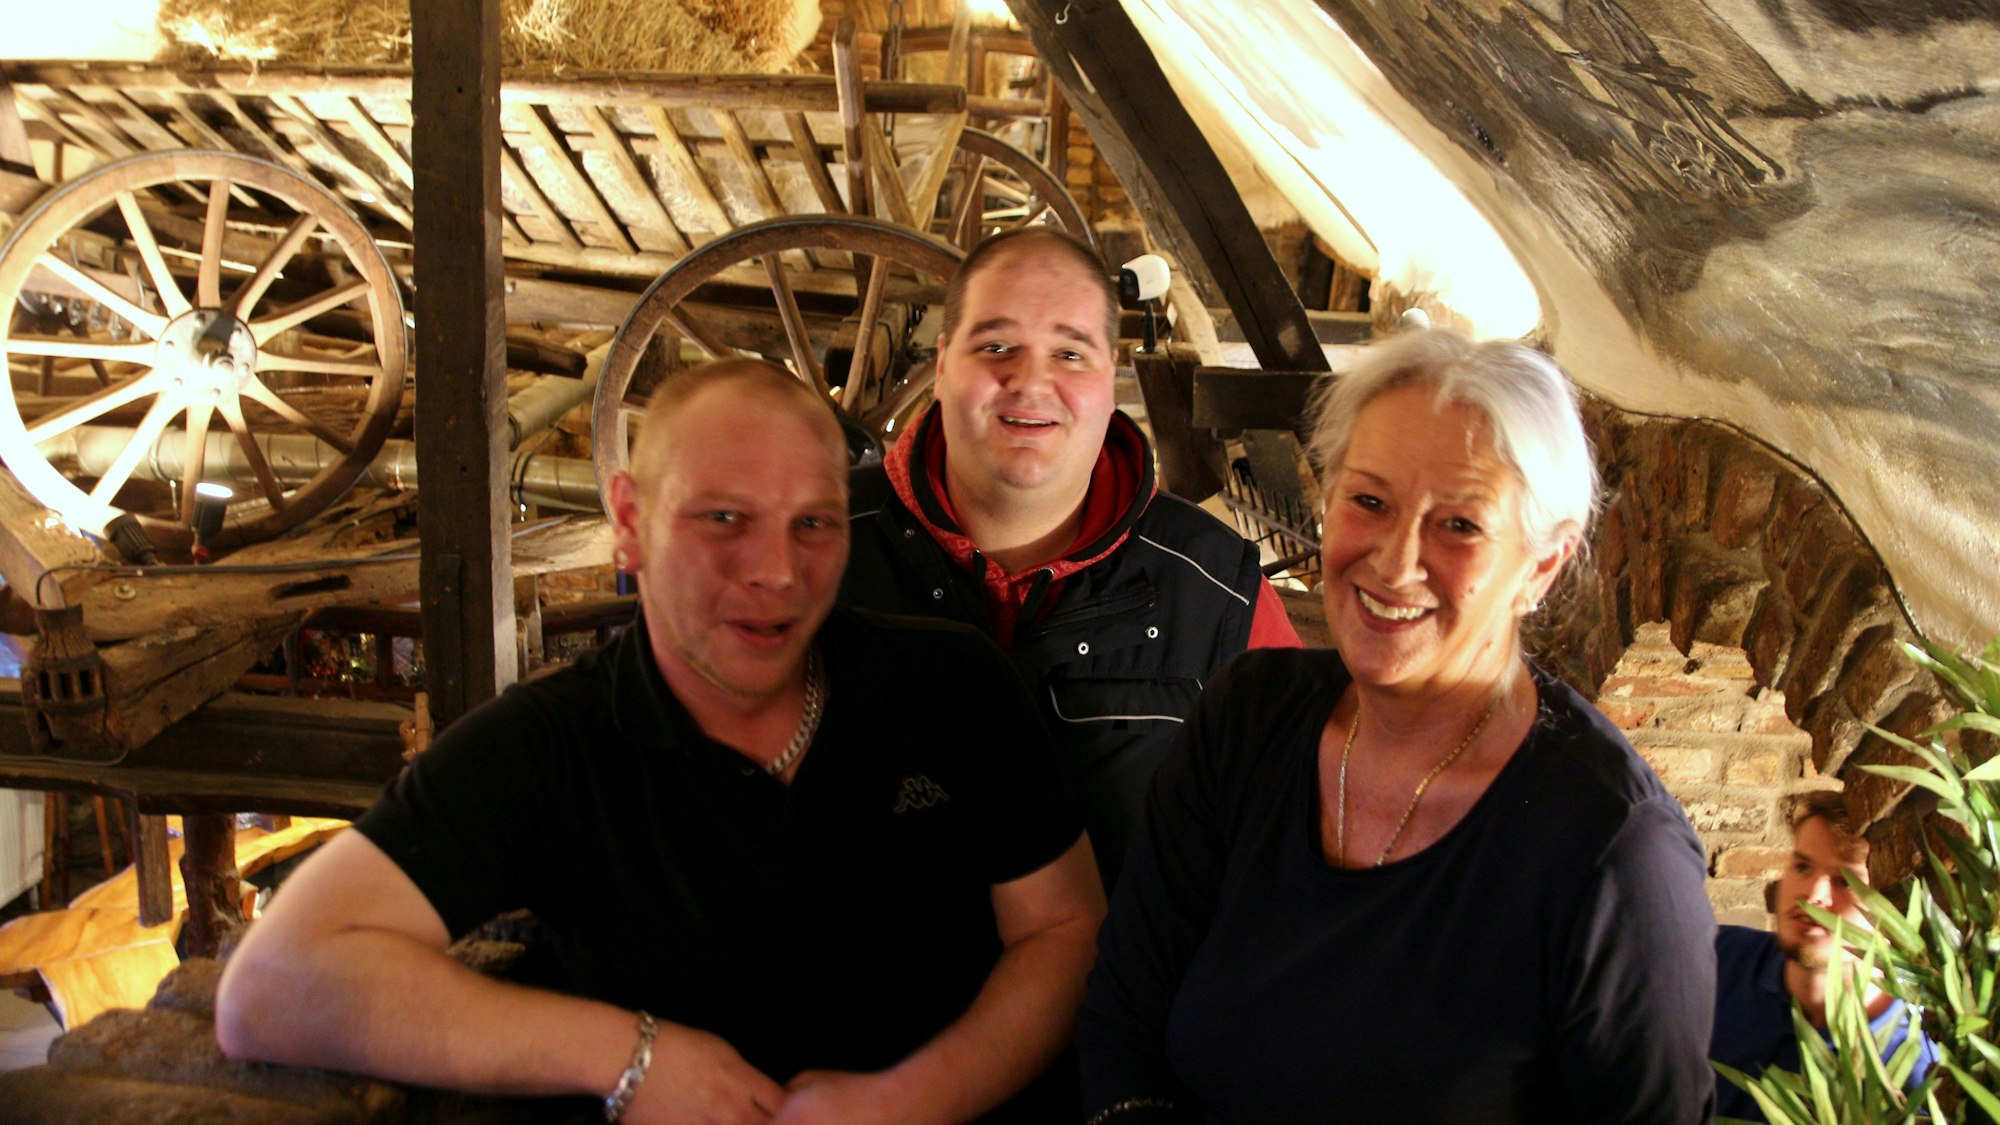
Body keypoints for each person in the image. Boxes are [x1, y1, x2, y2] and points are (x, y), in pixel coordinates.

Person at [215, 359, 1105, 1124]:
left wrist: (907, 1104)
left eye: (814, 523)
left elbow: (1065, 928)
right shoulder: (552, 743)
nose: (776, 570)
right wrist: (630, 1056)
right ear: (631, 521)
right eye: (723, 518)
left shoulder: (947, 685)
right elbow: (274, 986)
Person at [1077, 328, 1718, 1123]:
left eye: (1459, 525)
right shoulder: (1246, 718)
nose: (1394, 561)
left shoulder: (1614, 858)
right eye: (1370, 501)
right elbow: (1124, 1021)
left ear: (1542, 565)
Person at [840, 227, 1301, 886]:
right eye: (995, 345)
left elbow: (1298, 829)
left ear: (1110, 376)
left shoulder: (1214, 592)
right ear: (942, 366)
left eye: (1069, 353)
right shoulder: (818, 539)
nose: (1031, 380)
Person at [1710, 792, 1939, 1121]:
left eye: (1844, 881)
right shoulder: (1715, 958)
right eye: (1803, 866)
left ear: (1892, 906)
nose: (1813, 895)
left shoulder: (1918, 1066)